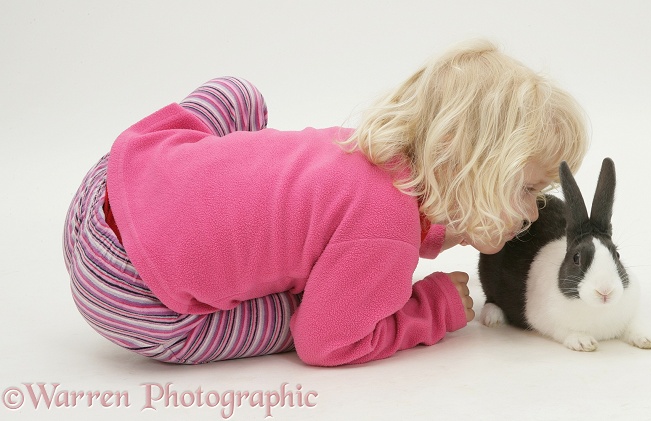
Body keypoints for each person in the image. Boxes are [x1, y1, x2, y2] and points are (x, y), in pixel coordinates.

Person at [63, 39, 588, 367]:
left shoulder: (358, 147)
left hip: (116, 177)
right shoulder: (386, 236)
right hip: (130, 297)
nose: (535, 211)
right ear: (467, 168)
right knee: (290, 317)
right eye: (526, 189)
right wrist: (428, 309)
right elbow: (323, 344)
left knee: (237, 96)